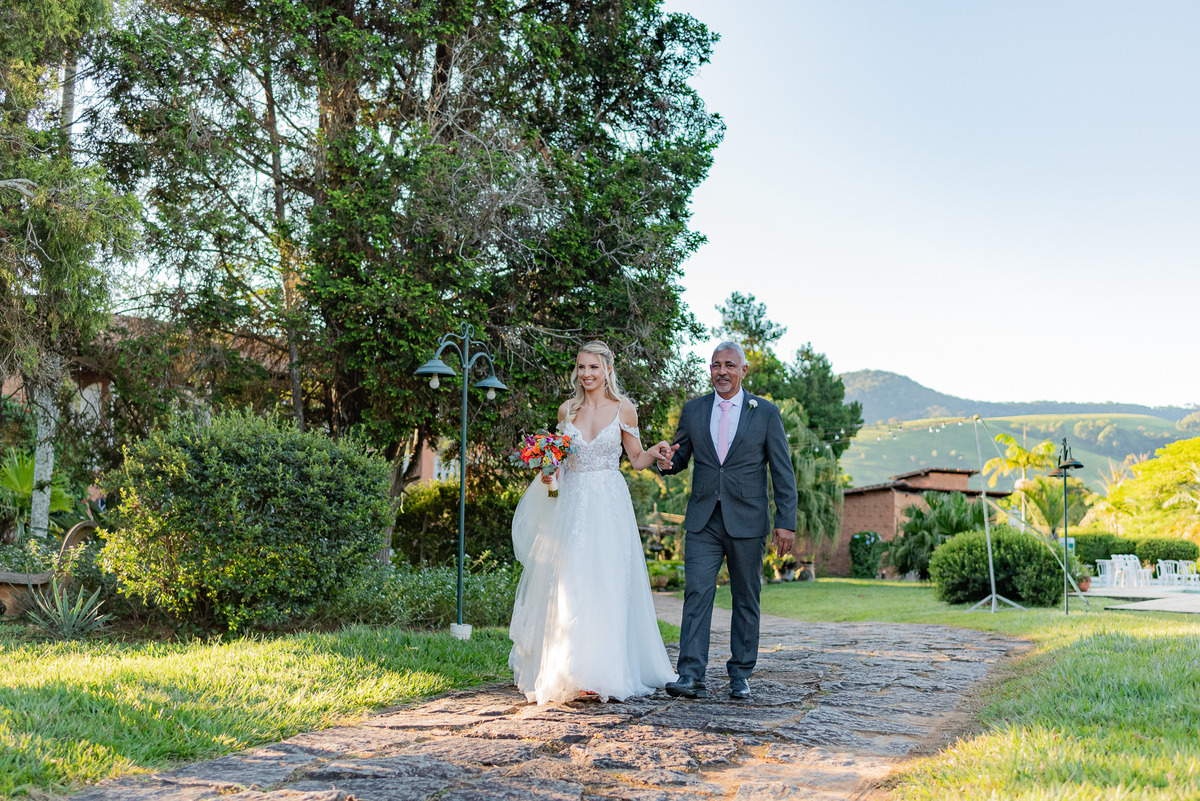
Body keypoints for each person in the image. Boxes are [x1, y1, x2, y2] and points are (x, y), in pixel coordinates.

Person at [508, 340, 677, 704]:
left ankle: (604, 670)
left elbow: (635, 459)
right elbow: (556, 464)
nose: (586, 374)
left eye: (593, 368)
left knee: (606, 581)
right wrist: (548, 474)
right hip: (570, 505)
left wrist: (657, 451)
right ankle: (571, 669)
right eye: (582, 367)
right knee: (570, 583)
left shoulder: (624, 409)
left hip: (609, 504)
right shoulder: (567, 410)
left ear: (608, 370)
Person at [653, 341, 797, 700]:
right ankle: (690, 675)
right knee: (697, 592)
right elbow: (681, 454)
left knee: (746, 596)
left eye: (730, 365)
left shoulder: (764, 413)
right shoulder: (694, 410)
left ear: (743, 370)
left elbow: (782, 470)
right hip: (703, 519)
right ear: (710, 371)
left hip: (748, 520)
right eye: (716, 365)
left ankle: (740, 674)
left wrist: (786, 520)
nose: (722, 371)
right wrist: (667, 460)